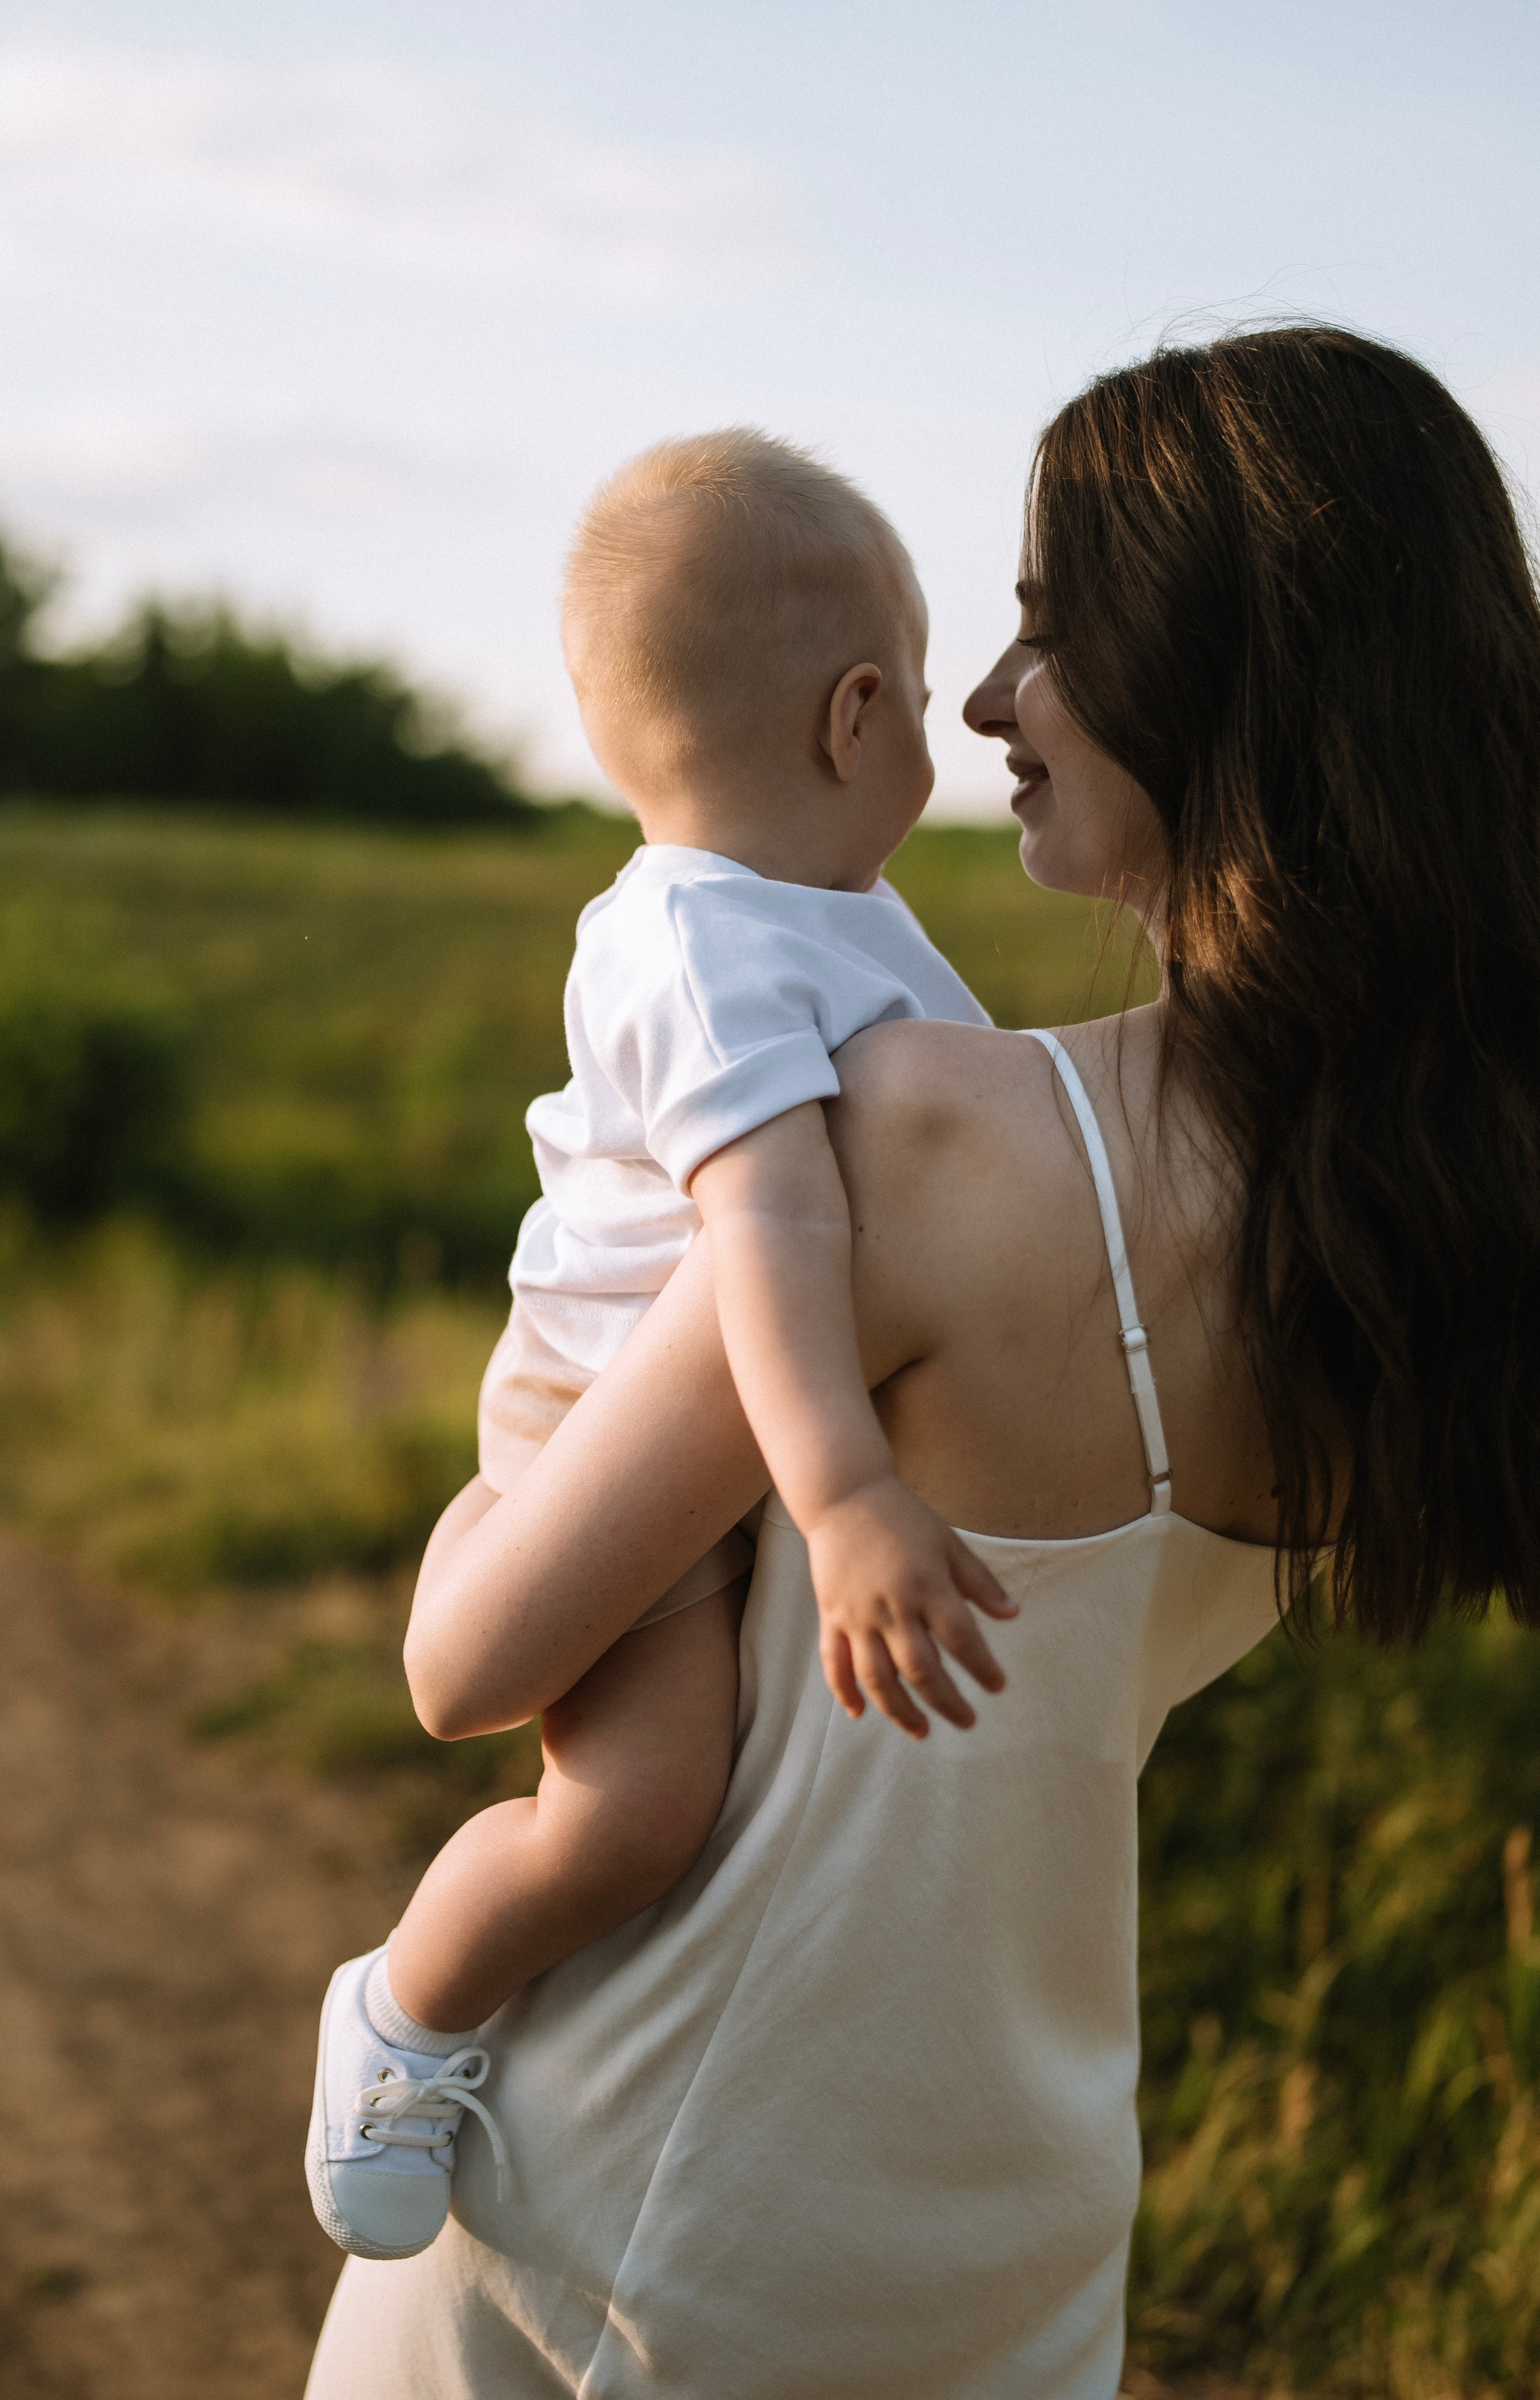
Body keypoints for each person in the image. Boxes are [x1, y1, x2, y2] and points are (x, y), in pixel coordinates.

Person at [307, 327, 1540, 2399]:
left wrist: (490, 1478)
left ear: (1209, 669)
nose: (993, 699)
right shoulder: (1441, 1248)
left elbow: (467, 1669)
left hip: (636, 2225)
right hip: (1011, 2250)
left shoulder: (928, 1138)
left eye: (1045, 626)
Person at [305, 430, 1006, 2263]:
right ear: (857, 715)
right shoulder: (694, 940)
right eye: (924, 700)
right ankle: (408, 2010)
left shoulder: (846, 917)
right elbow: (770, 1223)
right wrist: (844, 1488)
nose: (941, 742)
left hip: (694, 1421)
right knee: (633, 1811)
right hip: (597, 1431)